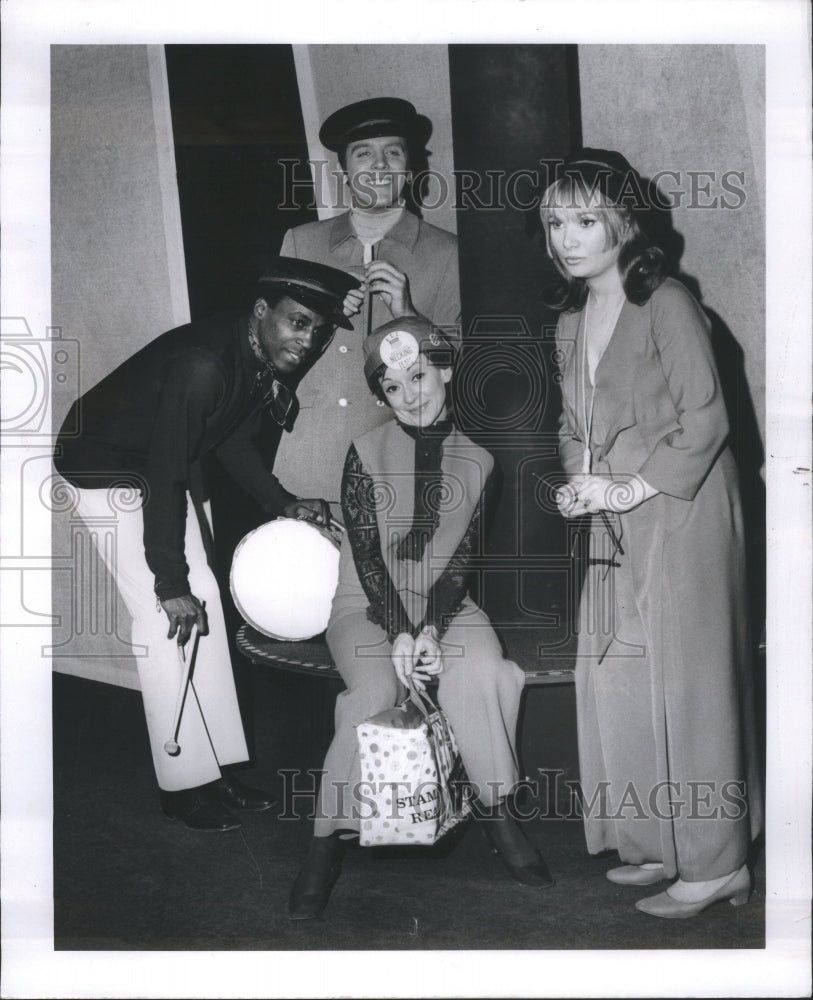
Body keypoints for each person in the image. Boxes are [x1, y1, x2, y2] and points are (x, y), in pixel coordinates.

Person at [53, 258, 360, 832]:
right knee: (165, 617)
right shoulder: (204, 366)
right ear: (262, 311)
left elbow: (233, 445)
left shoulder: (261, 355)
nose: (309, 340)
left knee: (208, 606)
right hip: (105, 468)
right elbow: (163, 472)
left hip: (161, 463)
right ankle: (182, 785)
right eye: (298, 322)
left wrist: (283, 502)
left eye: (319, 330)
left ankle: (216, 768)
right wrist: (168, 582)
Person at [540, 149, 763, 917]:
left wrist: (630, 483)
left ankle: (715, 863)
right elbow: (571, 425)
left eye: (583, 219)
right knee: (619, 673)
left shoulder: (666, 301)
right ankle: (655, 839)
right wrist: (583, 483)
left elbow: (708, 419)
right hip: (612, 511)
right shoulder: (568, 319)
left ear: (622, 221)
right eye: (554, 222)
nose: (566, 237)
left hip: (683, 507)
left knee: (691, 685)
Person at [288, 316, 554, 921]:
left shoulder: (480, 460)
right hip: (366, 605)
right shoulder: (363, 452)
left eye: (419, 377)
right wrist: (401, 634)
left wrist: (431, 628)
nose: (410, 395)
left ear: (444, 369)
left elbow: (462, 562)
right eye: (394, 387)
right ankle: (325, 840)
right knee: (376, 688)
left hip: (446, 603)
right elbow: (365, 558)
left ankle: (497, 813)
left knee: (483, 669)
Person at [275, 97, 461, 511]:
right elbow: (268, 353)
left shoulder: (448, 254)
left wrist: (408, 314)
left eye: (392, 153)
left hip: (400, 469)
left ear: (410, 168)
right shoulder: (300, 242)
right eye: (364, 154)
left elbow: (462, 366)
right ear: (344, 170)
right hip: (304, 465)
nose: (379, 166)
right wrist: (317, 314)